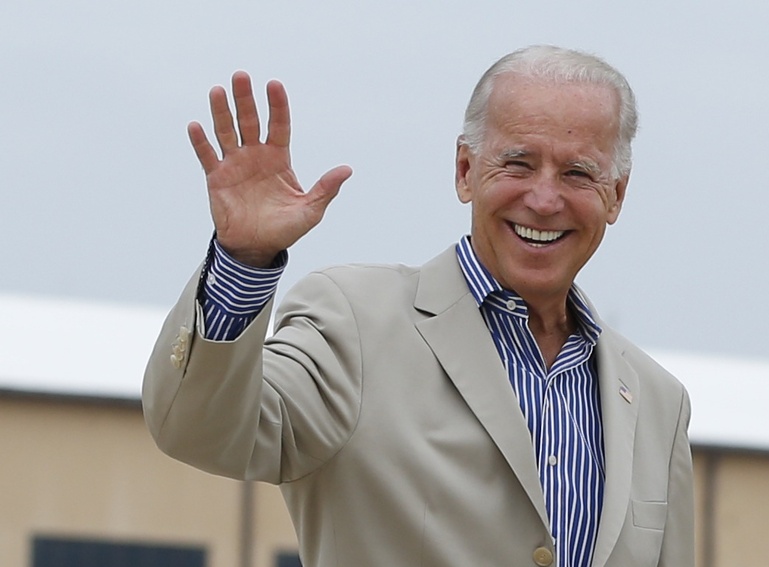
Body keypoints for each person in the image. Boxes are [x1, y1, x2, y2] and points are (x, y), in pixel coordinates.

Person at [143, 45, 694, 567]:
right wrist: (244, 259)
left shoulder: (657, 404)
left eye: (577, 173)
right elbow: (202, 431)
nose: (545, 199)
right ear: (464, 171)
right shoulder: (354, 323)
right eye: (519, 164)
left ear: (616, 194)